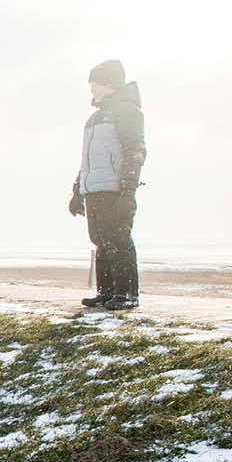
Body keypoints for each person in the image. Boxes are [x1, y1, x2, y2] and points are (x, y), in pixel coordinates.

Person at [69, 59, 147, 310]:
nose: (92, 88)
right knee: (100, 240)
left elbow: (135, 151)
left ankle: (127, 292)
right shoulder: (94, 119)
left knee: (118, 239)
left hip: (115, 188)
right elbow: (87, 160)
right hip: (94, 188)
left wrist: (128, 190)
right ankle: (106, 291)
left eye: (96, 83)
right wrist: (78, 190)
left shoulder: (128, 112)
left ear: (110, 83)